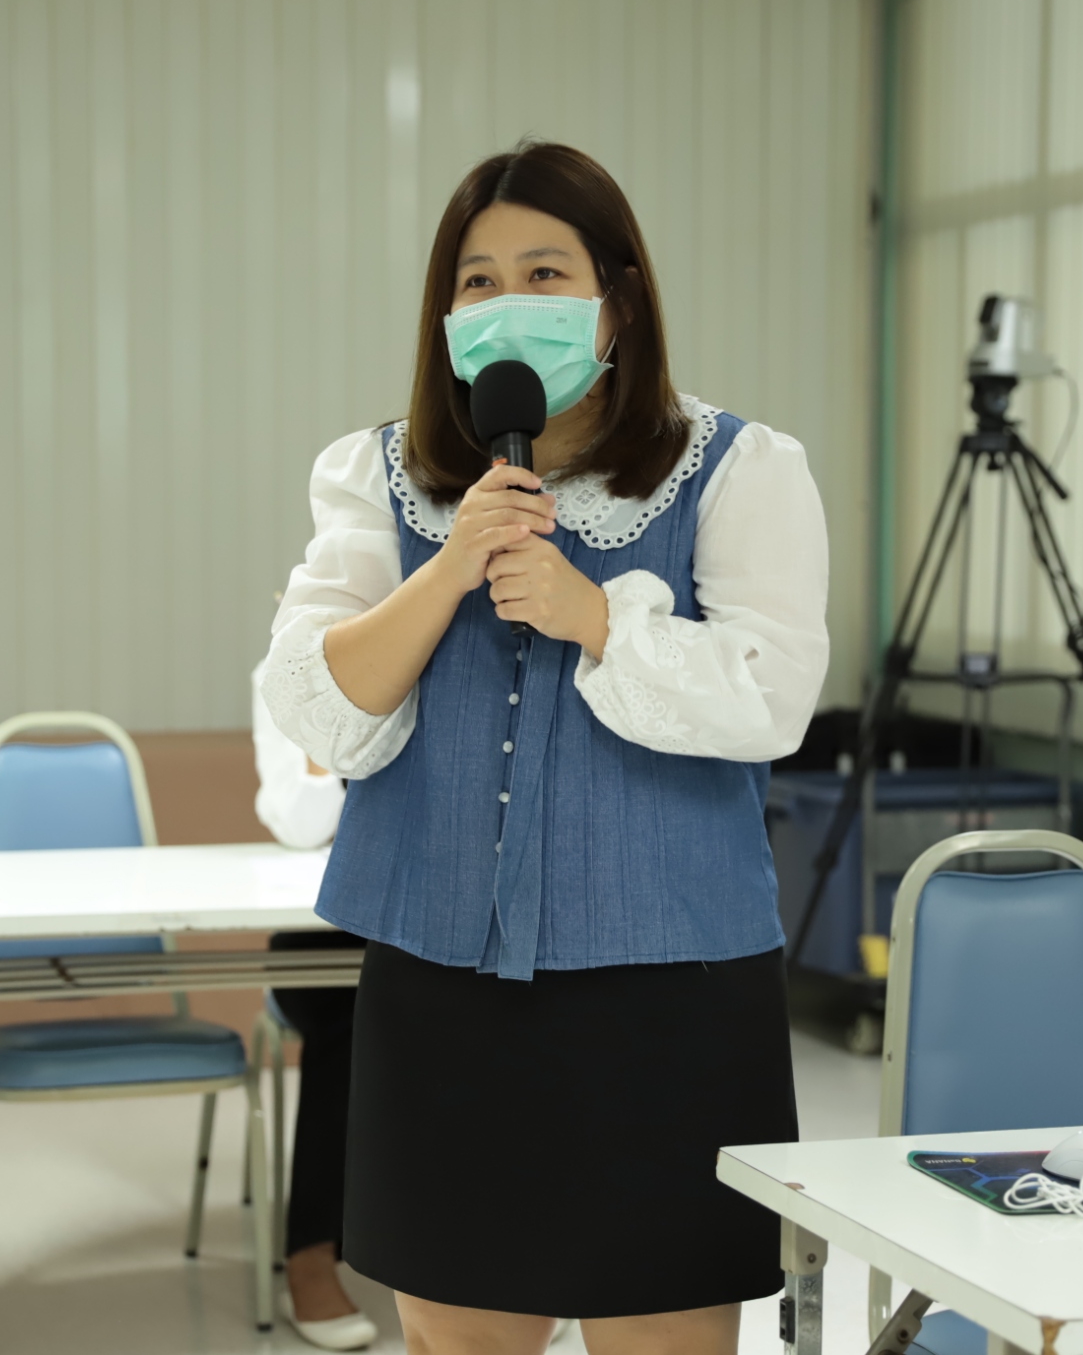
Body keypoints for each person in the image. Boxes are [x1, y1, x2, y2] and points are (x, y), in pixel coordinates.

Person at [261, 141, 828, 1355]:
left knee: (664, 1339)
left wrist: (593, 617)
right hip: (442, 993)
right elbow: (318, 709)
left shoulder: (740, 469)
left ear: (616, 300)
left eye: (543, 272)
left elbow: (771, 699)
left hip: (669, 993)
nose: (506, 303)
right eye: (476, 281)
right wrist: (449, 568)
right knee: (455, 1335)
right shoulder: (374, 477)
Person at [251, 659, 376, 1352]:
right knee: (349, 1021)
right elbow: (300, 825)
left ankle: (504, 1250)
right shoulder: (283, 669)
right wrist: (323, 703)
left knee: (503, 1011)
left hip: (422, 903)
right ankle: (310, 1255)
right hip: (321, 926)